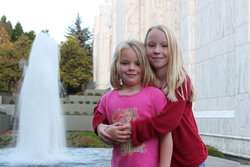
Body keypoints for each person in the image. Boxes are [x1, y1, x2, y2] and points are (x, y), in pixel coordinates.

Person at [92, 25, 208, 167]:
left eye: (164, 46)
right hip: (159, 158)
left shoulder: (180, 81)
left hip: (188, 157)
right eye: (151, 45)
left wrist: (131, 129)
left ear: (174, 50)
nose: (157, 50)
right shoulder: (143, 82)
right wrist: (100, 127)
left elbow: (167, 121)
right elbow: (101, 107)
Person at [96, 40, 173, 167]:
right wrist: (108, 133)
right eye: (125, 63)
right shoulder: (107, 99)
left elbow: (165, 135)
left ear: (146, 67)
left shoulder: (155, 95)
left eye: (138, 64)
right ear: (116, 65)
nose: (132, 68)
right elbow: (103, 130)